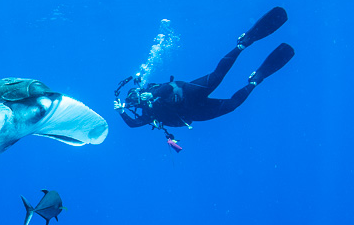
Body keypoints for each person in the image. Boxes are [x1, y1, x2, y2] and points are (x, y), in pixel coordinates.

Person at [114, 7, 294, 137]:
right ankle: (255, 80)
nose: (137, 99)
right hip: (192, 113)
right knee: (232, 105)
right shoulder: (147, 114)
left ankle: (242, 44)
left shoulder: (153, 91)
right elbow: (133, 124)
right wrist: (121, 111)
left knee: (218, 76)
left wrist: (161, 93)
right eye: (133, 101)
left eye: (136, 95)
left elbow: (170, 86)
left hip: (189, 94)